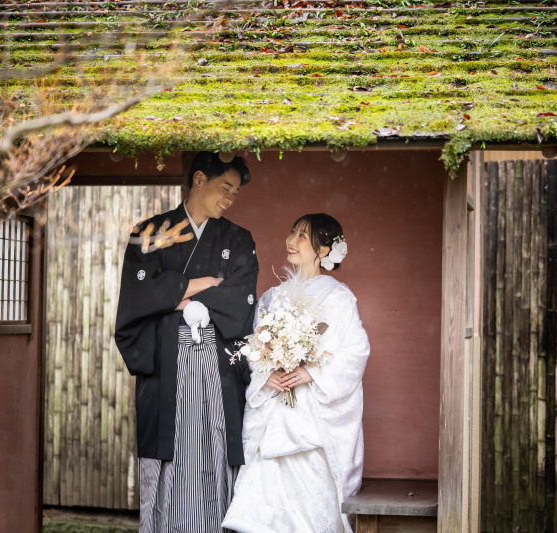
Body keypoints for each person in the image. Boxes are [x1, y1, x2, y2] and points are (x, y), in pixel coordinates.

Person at [114, 151, 258, 533]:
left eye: (235, 193)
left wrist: (171, 296)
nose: (230, 198)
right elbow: (137, 298)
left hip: (217, 368)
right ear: (198, 180)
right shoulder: (150, 233)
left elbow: (240, 301)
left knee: (216, 451)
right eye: (225, 188)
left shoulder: (238, 240)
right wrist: (204, 284)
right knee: (170, 454)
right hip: (167, 364)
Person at [222, 213, 370, 533]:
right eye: (292, 233)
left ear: (323, 250)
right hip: (274, 413)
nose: (291, 240)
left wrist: (312, 373)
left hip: (312, 417)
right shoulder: (271, 297)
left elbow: (355, 352)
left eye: (302, 236)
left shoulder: (339, 298)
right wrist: (266, 373)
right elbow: (255, 347)